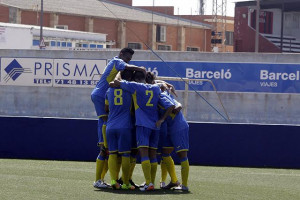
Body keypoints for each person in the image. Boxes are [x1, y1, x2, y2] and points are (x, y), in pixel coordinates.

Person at [109, 71, 174, 191]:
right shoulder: (155, 88)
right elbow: (160, 89)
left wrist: (120, 71)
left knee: (144, 155)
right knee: (153, 156)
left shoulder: (136, 87)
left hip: (142, 125)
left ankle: (148, 183)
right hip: (155, 125)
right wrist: (162, 119)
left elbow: (117, 81)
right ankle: (152, 183)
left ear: (136, 80)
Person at [91, 48, 145, 189]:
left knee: (114, 151)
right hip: (101, 97)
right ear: (121, 55)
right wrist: (141, 68)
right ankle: (114, 180)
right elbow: (125, 68)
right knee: (110, 149)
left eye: (129, 59)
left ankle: (119, 181)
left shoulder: (116, 87)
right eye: (127, 58)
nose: (127, 61)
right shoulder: (117, 62)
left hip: (114, 122)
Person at [105, 69, 135, 190]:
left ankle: (113, 180)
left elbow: (106, 108)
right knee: (126, 155)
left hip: (110, 125)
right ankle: (126, 183)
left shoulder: (109, 90)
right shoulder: (130, 90)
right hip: (125, 126)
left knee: (112, 153)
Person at [160, 91, 190, 191]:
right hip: (168, 128)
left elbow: (175, 105)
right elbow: (178, 104)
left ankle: (184, 185)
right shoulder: (160, 93)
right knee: (165, 153)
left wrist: (178, 106)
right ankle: (173, 181)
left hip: (179, 127)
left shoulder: (162, 94)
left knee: (182, 155)